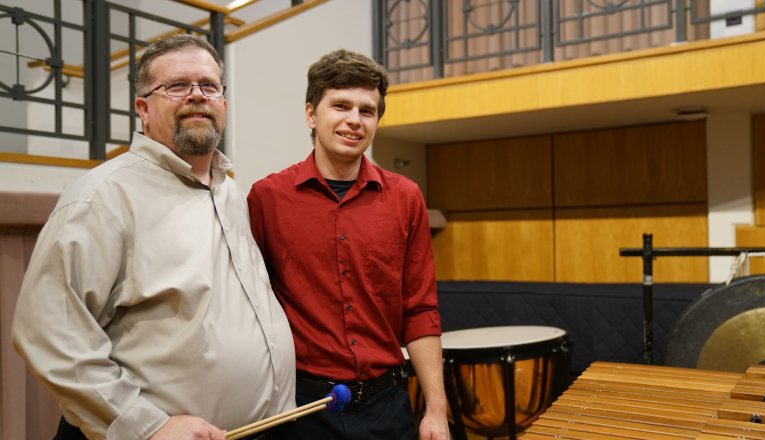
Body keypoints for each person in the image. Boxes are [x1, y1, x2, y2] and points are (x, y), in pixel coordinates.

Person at [12, 34, 295, 440]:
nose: (197, 96)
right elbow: (49, 332)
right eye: (177, 86)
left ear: (224, 103)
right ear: (143, 109)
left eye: (209, 85)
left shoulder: (229, 191)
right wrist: (148, 426)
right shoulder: (101, 198)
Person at [247, 49, 450, 440]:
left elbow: (421, 309)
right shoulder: (266, 198)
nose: (354, 120)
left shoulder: (406, 197)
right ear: (311, 113)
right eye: (340, 105)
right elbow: (251, 306)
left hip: (388, 405)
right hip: (303, 410)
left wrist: (436, 410)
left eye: (367, 110)